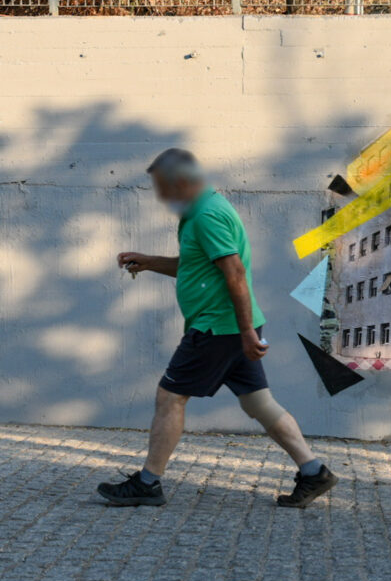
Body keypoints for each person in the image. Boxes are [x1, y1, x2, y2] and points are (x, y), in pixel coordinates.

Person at [97, 148, 337, 508]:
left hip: (218, 328)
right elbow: (196, 265)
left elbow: (234, 272)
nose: (161, 195)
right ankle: (314, 471)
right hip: (231, 326)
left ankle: (147, 483)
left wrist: (245, 332)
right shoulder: (202, 210)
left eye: (163, 186)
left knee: (170, 397)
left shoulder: (206, 215)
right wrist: (149, 262)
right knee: (258, 402)